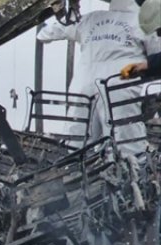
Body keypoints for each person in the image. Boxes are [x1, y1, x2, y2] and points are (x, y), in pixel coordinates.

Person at [37, 1, 160, 156]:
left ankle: (74, 174)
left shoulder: (89, 19)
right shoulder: (142, 22)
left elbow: (45, 34)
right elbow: (156, 57)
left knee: (78, 140)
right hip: (120, 80)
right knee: (126, 141)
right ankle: (132, 175)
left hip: (83, 83)